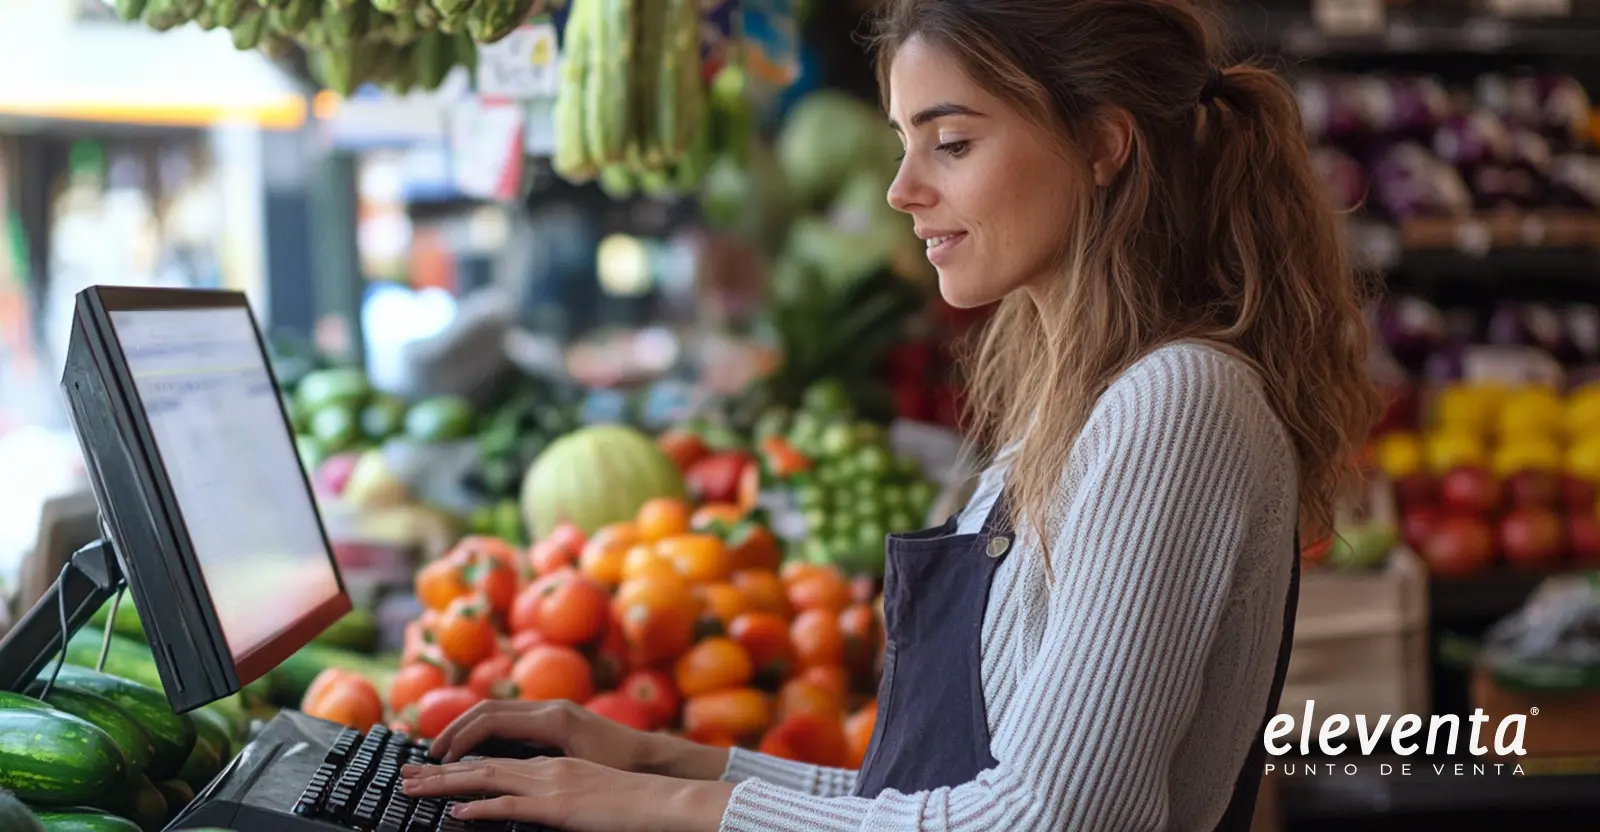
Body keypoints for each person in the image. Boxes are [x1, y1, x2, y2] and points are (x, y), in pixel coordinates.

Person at [398, 0, 1383, 829]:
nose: (902, 190)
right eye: (905, 143)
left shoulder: (1177, 402)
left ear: (1100, 144)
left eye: (950, 143)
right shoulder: (1075, 404)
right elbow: (933, 798)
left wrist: (661, 806)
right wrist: (654, 759)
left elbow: (1043, 821)